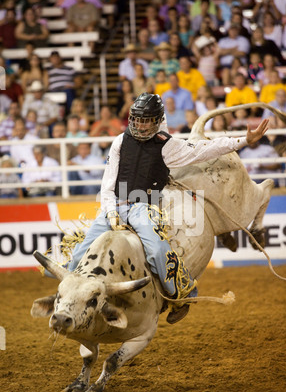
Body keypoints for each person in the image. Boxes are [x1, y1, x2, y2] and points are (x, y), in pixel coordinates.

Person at [66, 92, 269, 324]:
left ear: (156, 120)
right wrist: (111, 212)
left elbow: (204, 150)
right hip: (114, 207)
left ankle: (184, 293)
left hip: (143, 207)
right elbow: (107, 184)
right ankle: (68, 295)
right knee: (80, 253)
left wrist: (243, 141)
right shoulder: (120, 142)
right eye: (138, 120)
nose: (141, 125)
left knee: (158, 250)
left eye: (146, 120)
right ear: (132, 119)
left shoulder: (167, 146)